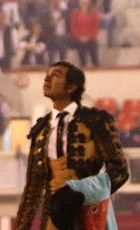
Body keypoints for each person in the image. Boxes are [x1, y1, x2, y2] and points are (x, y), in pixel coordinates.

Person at [16, 62, 128, 230]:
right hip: (54, 218)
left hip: (88, 213)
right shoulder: (40, 129)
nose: (47, 79)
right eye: (47, 75)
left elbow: (119, 170)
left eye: (56, 75)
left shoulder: (95, 121)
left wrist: (83, 191)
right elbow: (33, 190)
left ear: (71, 87)